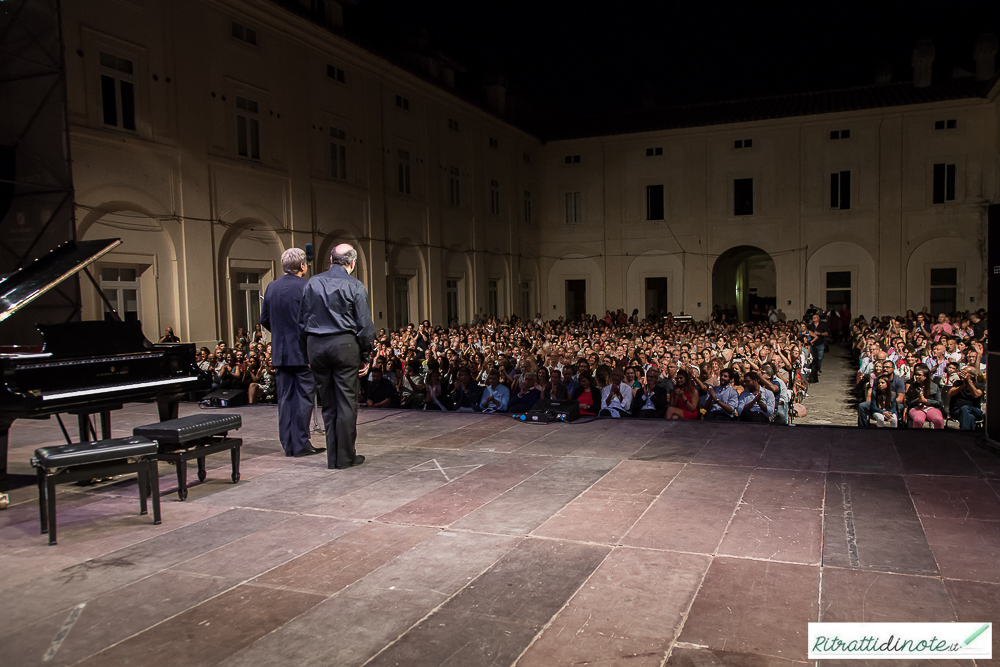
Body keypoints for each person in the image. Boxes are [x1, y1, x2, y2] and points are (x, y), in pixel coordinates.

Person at [299, 243, 375, 469]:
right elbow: (365, 326)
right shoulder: (355, 285)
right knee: (346, 403)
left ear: (331, 260)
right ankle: (345, 457)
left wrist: (308, 352)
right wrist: (365, 354)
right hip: (344, 345)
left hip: (316, 345)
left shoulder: (312, 282)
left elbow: (301, 322)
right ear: (352, 263)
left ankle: (333, 457)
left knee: (328, 403)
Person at [261, 248, 318, 457]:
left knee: (285, 399)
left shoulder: (271, 287)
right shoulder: (308, 286)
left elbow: (264, 318)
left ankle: (288, 444)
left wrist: (279, 335)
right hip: (302, 352)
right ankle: (301, 444)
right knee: (304, 399)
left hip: (280, 352)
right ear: (303, 266)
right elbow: (314, 320)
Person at [948, 366, 984, 430]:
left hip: (974, 410)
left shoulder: (979, 386)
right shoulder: (957, 383)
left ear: (972, 375)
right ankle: (968, 434)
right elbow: (950, 394)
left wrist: (969, 382)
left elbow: (976, 395)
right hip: (957, 410)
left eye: (965, 373)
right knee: (969, 416)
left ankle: (964, 432)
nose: (962, 375)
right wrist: (962, 386)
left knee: (965, 408)